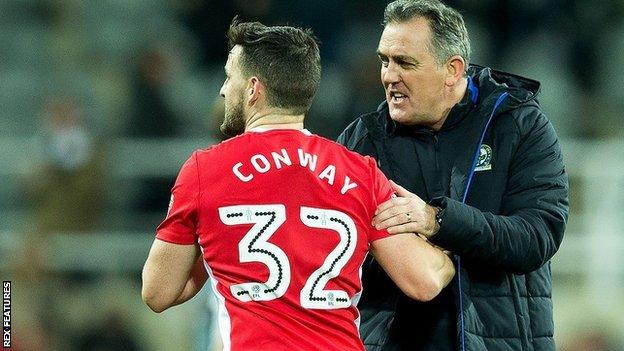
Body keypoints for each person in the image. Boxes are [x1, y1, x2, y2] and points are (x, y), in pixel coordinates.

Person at [141, 18, 455, 351]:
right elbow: (425, 280)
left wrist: (217, 243)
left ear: (253, 88)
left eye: (229, 76)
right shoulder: (359, 173)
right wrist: (447, 246)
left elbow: (158, 293)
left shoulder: (205, 170)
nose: (222, 89)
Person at [337, 1, 569, 350]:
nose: (388, 75)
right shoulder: (363, 140)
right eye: (384, 60)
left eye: (405, 63)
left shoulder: (518, 125)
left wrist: (437, 220)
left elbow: (537, 237)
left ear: (452, 69)